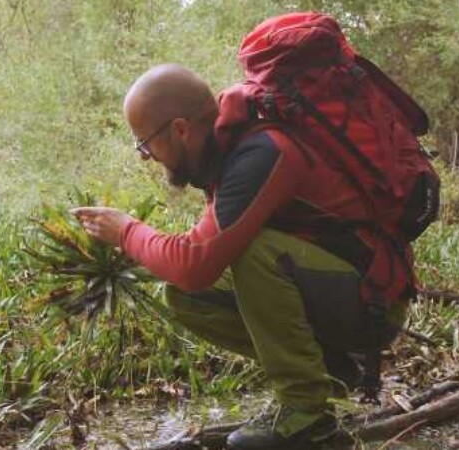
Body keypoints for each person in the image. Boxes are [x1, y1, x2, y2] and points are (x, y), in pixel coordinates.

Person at [72, 64, 411, 450]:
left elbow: (195, 262)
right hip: (341, 291)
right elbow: (195, 267)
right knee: (185, 296)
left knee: (253, 253)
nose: (145, 157)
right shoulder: (227, 151)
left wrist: (128, 232)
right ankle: (330, 371)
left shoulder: (262, 153)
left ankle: (306, 412)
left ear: (180, 129)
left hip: (372, 304)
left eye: (145, 143)